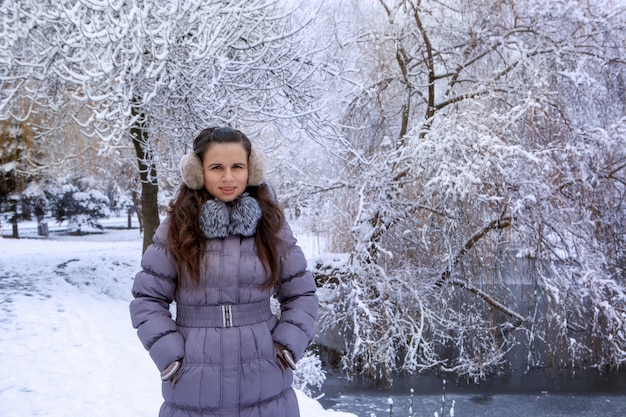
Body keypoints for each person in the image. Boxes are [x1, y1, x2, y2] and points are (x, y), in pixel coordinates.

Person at [130, 126, 319, 417]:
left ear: (251, 170)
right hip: (194, 384)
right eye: (217, 167)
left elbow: (301, 293)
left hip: (264, 380)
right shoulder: (176, 228)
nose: (228, 177)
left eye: (237, 167)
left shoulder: (271, 225)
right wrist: (171, 356)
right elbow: (147, 299)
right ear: (197, 171)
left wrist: (286, 345)